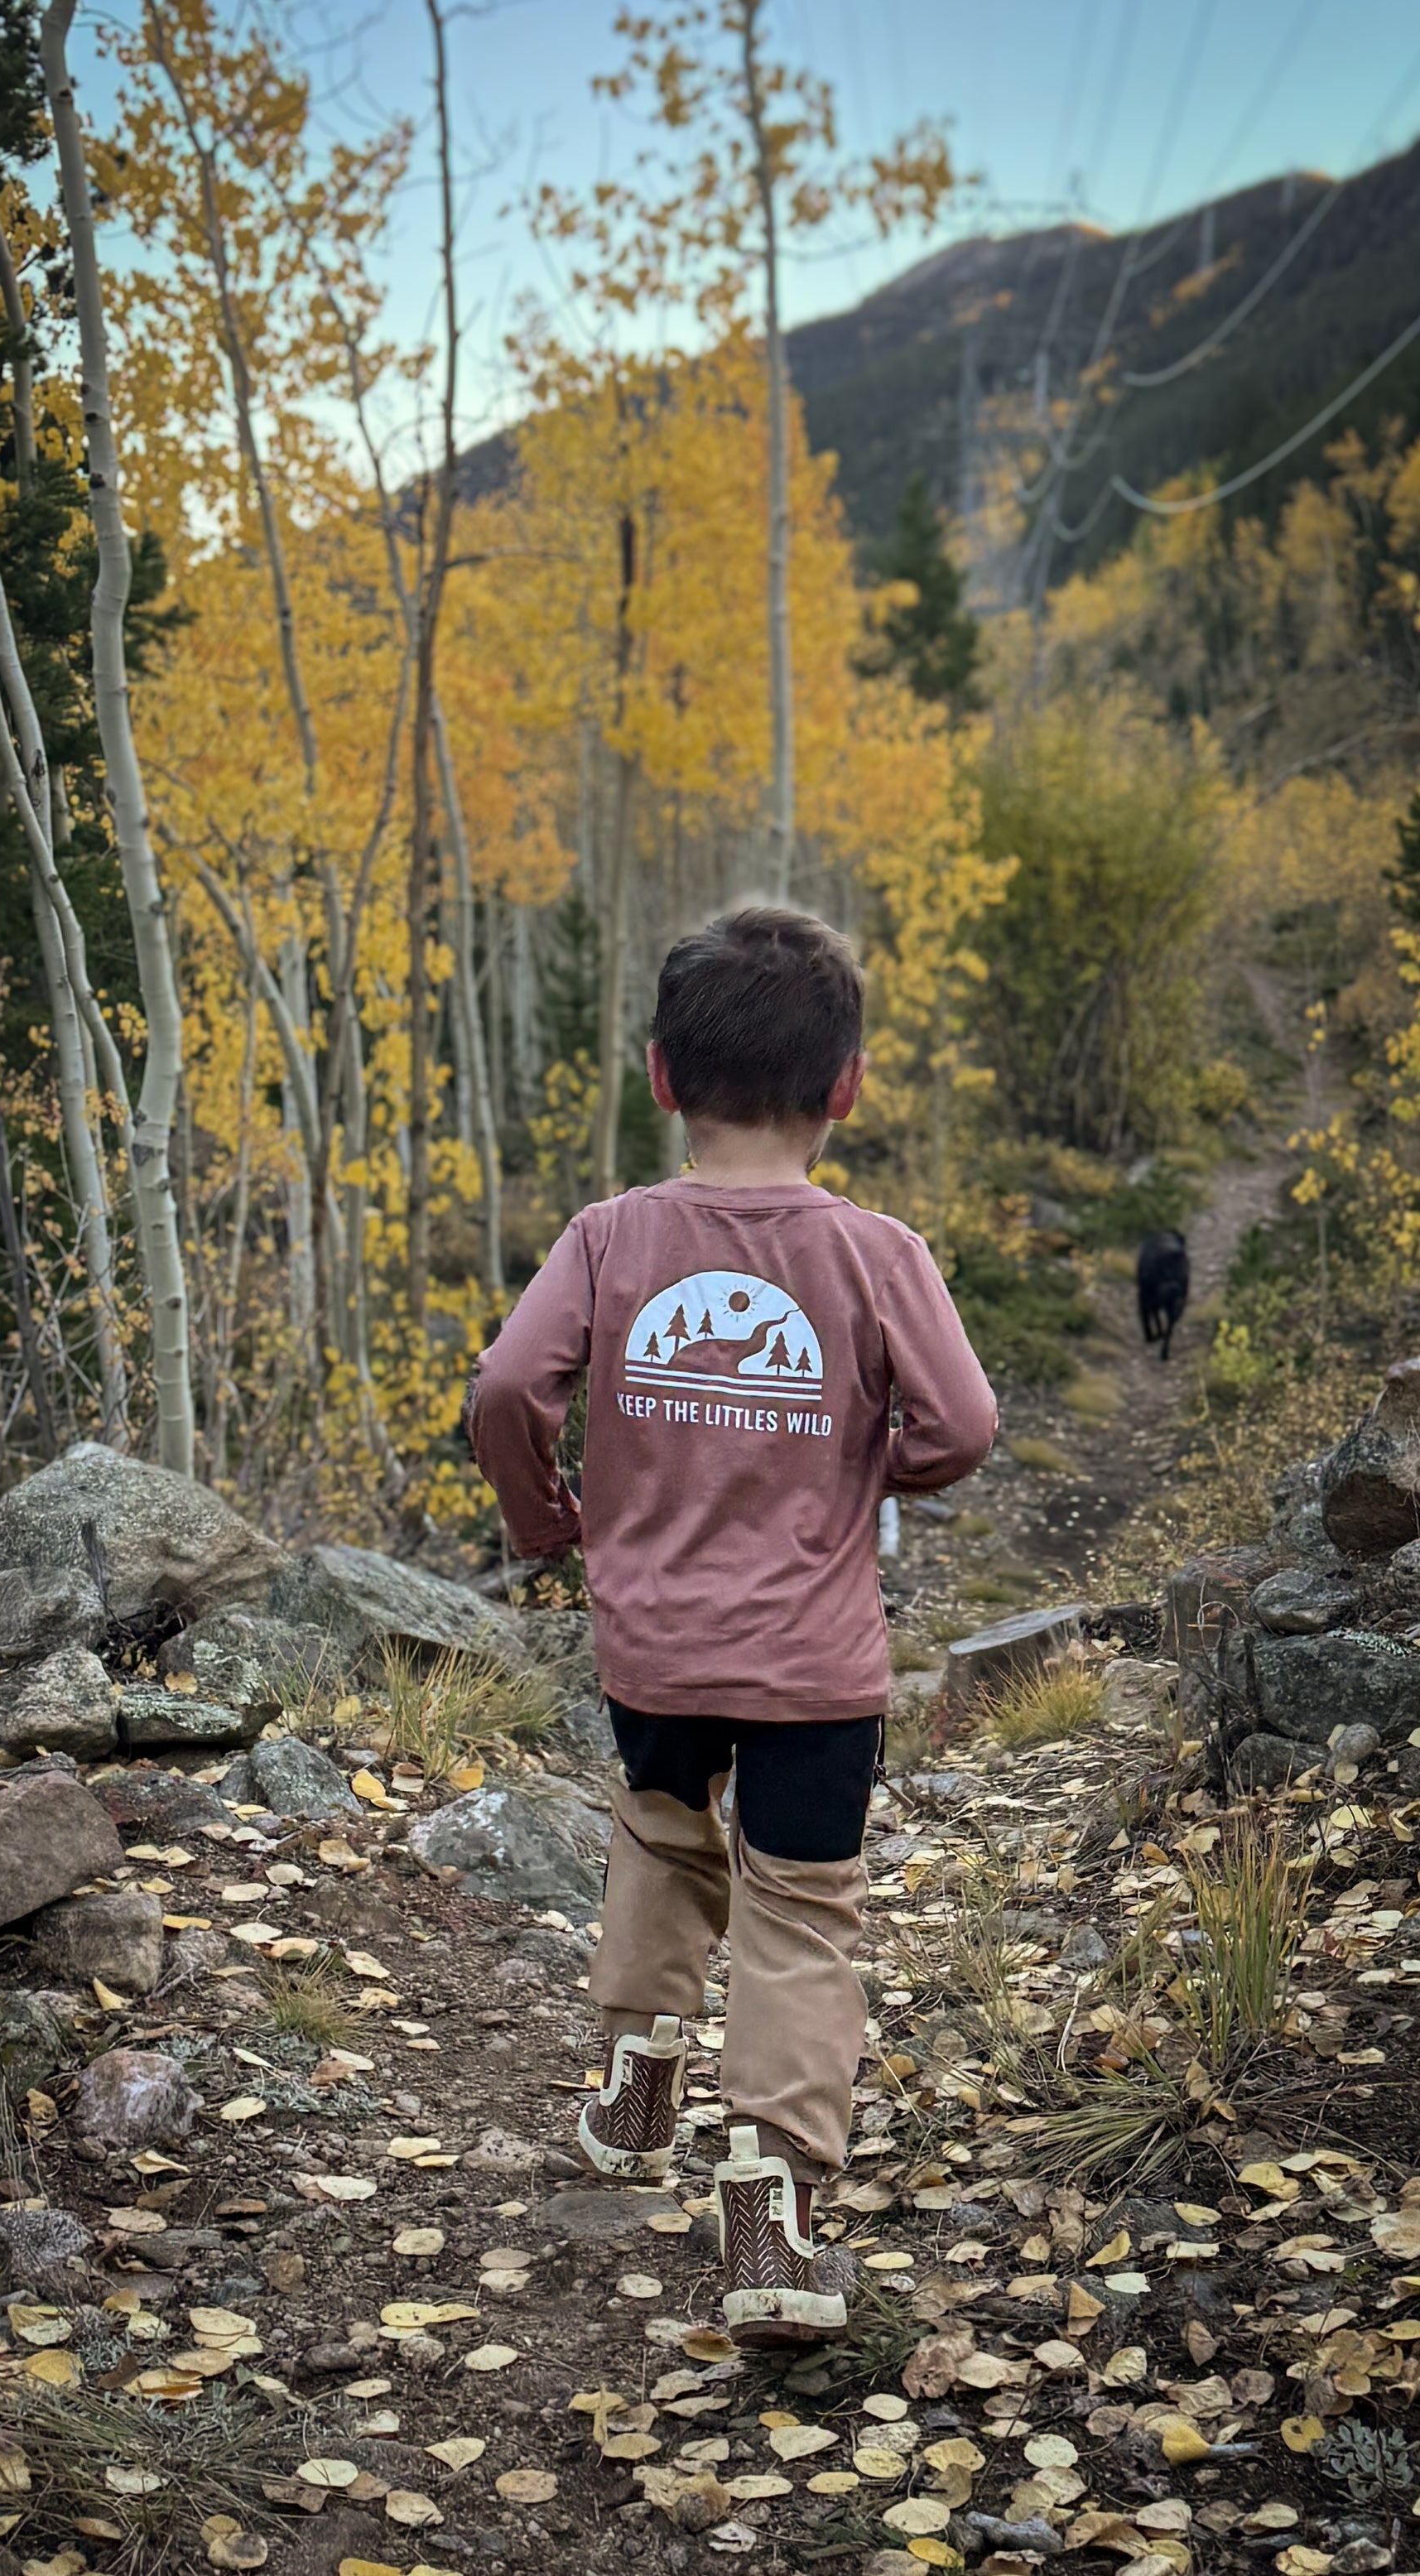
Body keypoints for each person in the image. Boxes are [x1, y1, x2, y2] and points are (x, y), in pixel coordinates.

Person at [465, 907, 996, 2344]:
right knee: (800, 1906)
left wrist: (549, 1522)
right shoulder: (878, 1253)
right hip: (816, 1662)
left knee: (659, 1829)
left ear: (658, 1075)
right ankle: (769, 2198)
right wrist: (866, 1463)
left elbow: (508, 1390)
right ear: (848, 1085)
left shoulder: (609, 1237)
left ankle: (639, 2080)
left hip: (652, 1638)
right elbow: (961, 1424)